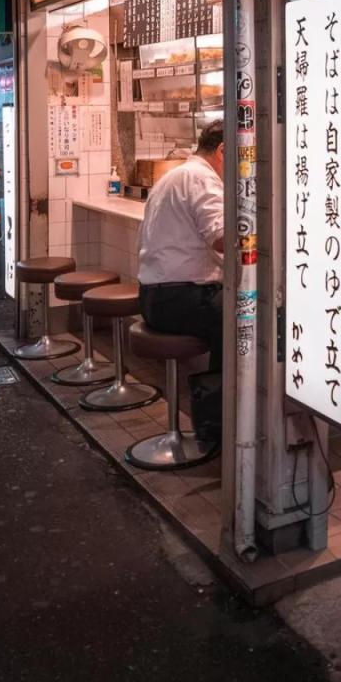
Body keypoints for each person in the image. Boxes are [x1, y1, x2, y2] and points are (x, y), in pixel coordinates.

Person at [137, 118, 224, 455]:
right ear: (222, 150)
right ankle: (218, 424)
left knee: (235, 319)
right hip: (181, 297)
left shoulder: (174, 176)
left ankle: (217, 417)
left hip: (154, 297)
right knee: (246, 323)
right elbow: (221, 236)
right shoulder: (202, 179)